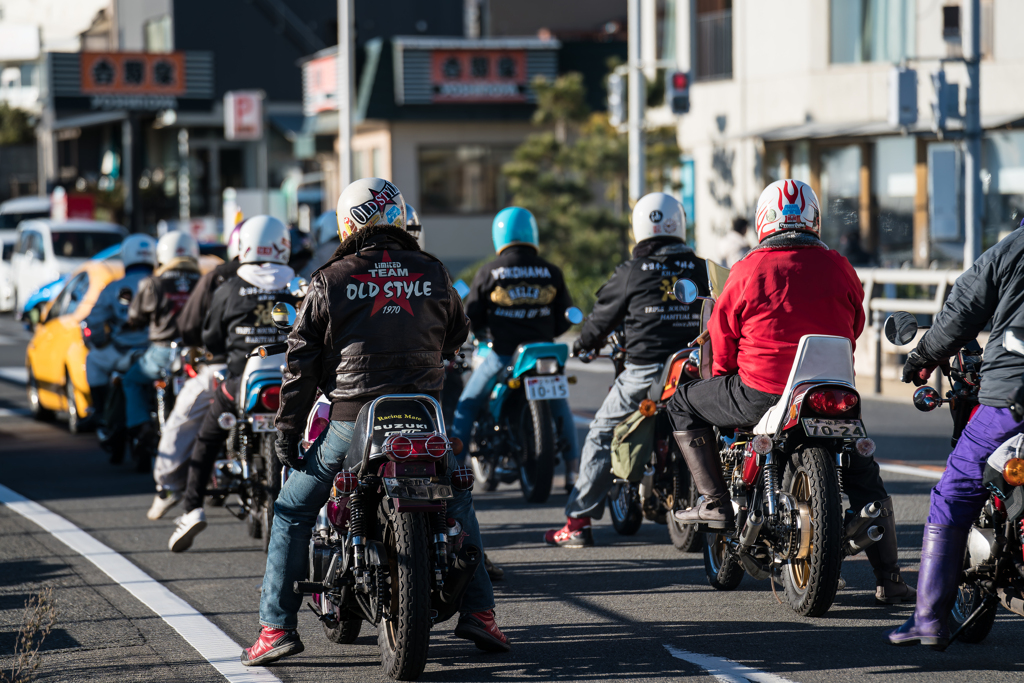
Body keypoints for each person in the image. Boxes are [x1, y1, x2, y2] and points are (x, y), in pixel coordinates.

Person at [242, 178, 509, 666]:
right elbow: (458, 334)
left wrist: (286, 434)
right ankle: (482, 614)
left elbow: (300, 364)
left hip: (350, 416)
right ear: (398, 216)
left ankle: (275, 628)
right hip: (424, 413)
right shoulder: (433, 271)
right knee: (460, 500)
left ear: (347, 222)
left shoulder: (330, 278)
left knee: (291, 509)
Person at [666, 179, 915, 604]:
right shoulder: (839, 265)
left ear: (765, 219)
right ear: (813, 218)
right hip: (832, 392)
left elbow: (722, 343)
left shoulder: (747, 269)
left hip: (761, 393)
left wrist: (723, 378)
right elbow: (855, 326)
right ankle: (890, 579)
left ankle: (714, 502)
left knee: (681, 403)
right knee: (862, 473)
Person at [888, 220, 1024, 648]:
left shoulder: (1013, 249)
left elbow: (963, 308)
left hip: (1011, 396)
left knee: (955, 489)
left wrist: (923, 355)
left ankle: (928, 618)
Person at [544, 192, 707, 547]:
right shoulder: (704, 269)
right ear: (679, 223)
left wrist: (584, 343)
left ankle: (576, 523)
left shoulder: (632, 271)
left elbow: (601, 319)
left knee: (602, 434)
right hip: (700, 370)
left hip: (647, 374)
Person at [168, 216, 298, 551]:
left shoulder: (229, 287)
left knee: (208, 437)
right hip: (296, 384)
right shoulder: (299, 285)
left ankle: (192, 508)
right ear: (284, 245)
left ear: (242, 246)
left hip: (243, 383)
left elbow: (211, 339)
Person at [452, 206, 579, 489]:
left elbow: (471, 317)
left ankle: (453, 471)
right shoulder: (551, 271)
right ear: (531, 232)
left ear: (499, 235)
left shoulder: (489, 271)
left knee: (467, 404)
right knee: (561, 409)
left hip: (503, 355)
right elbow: (564, 318)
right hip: (544, 353)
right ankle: (572, 472)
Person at [146, 222, 243, 520]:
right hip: (279, 368)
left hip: (224, 369)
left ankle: (170, 487)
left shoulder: (220, 277)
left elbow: (192, 325)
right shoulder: (289, 277)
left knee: (183, 422)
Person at [122, 232, 202, 455]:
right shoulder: (205, 282)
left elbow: (135, 315)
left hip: (163, 351)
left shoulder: (153, 283)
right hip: (197, 354)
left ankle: (141, 425)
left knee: (131, 380)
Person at [85, 234, 157, 459]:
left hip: (121, 353)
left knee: (92, 360)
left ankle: (98, 409)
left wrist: (98, 341)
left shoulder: (113, 288)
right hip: (156, 352)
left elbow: (94, 323)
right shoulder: (161, 284)